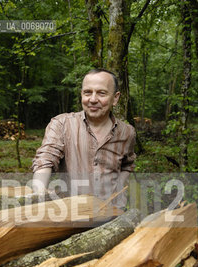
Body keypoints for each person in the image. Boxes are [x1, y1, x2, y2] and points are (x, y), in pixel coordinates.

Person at [32, 69, 136, 208]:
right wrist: (38, 193)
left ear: (115, 98)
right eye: (87, 92)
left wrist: (118, 190)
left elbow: (127, 164)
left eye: (101, 93)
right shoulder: (62, 124)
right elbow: (45, 159)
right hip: (71, 213)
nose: (93, 99)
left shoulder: (127, 132)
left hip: (112, 213)